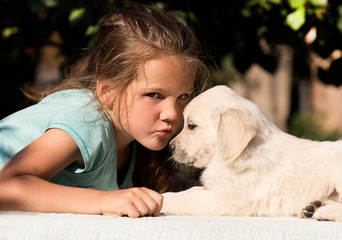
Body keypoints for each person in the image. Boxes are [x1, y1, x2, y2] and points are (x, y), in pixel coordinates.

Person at [0, 5, 209, 218]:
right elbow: (5, 187)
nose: (173, 114)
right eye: (154, 95)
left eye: (183, 96)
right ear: (107, 91)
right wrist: (103, 200)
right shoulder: (87, 121)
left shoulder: (134, 137)